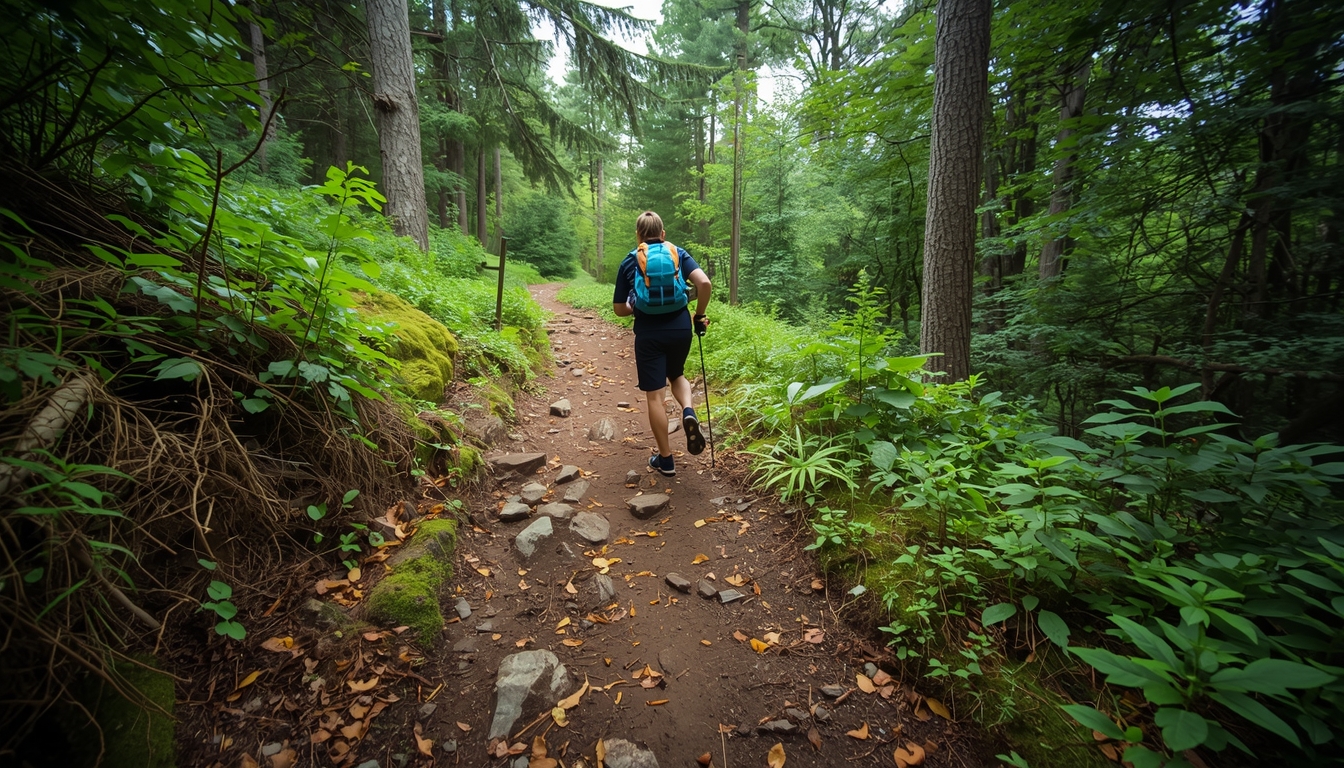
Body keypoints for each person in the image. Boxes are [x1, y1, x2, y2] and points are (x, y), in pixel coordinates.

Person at [612, 211, 711, 477]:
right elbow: (704, 283)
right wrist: (699, 315)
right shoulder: (678, 253)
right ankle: (688, 410)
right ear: (663, 233)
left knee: (655, 395)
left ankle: (666, 460)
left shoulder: (630, 260)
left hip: (649, 332)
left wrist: (636, 305)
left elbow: (619, 309)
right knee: (677, 374)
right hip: (680, 327)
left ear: (638, 235)